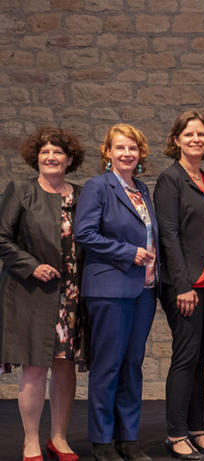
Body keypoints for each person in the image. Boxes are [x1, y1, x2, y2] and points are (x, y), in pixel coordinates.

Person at [0, 128, 85, 461]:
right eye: (45, 152)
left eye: (58, 152)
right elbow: (2, 238)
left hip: (72, 294)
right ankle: (32, 439)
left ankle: (59, 437)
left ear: (69, 159)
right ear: (36, 156)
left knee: (65, 367)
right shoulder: (20, 192)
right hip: (32, 291)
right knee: (35, 367)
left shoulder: (81, 195)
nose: (51, 157)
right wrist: (32, 265)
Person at [75, 123, 158, 461]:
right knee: (108, 366)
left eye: (133, 148)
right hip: (109, 288)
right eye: (120, 148)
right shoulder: (98, 187)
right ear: (107, 152)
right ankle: (102, 440)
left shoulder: (142, 190)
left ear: (140, 155)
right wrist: (128, 252)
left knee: (132, 365)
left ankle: (128, 438)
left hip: (144, 290)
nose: (127, 154)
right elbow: (84, 233)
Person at [154, 111, 204, 459]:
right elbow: (168, 235)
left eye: (202, 134)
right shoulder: (170, 179)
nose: (196, 139)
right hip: (184, 285)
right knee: (185, 357)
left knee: (199, 357)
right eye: (189, 134)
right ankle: (176, 433)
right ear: (177, 139)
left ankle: (197, 428)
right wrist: (182, 285)